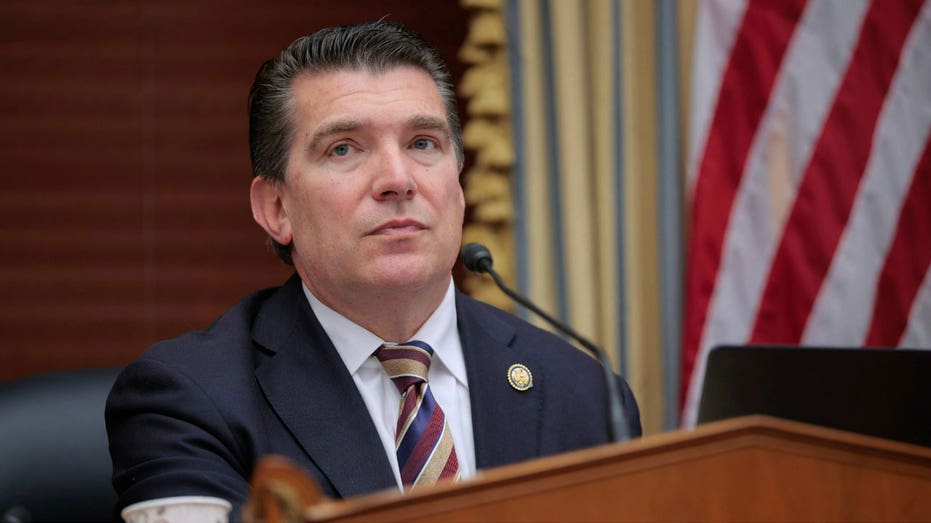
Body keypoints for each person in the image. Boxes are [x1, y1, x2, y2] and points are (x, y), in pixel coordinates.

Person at [105, 20, 641, 522]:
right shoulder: (190, 400)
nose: (397, 179)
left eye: (422, 143)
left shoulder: (584, 392)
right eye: (345, 149)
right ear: (276, 209)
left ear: (458, 183)